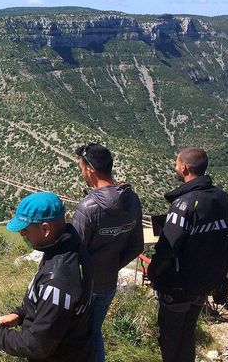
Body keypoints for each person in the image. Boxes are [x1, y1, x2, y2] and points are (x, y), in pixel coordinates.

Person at [148, 147, 228, 362]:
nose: (175, 167)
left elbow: (167, 249)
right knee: (188, 334)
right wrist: (219, 254)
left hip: (178, 285)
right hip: (206, 281)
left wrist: (154, 272)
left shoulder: (183, 205)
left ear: (184, 168)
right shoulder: (224, 198)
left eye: (176, 163)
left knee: (170, 339)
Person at [0, 192, 95, 362]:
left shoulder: (57, 280)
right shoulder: (69, 245)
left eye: (25, 230)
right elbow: (48, 306)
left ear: (46, 229)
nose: (22, 235)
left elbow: (38, 346)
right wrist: (20, 314)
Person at [72, 143, 144, 362]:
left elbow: (74, 253)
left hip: (85, 286)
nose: (82, 173)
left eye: (81, 169)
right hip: (108, 283)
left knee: (75, 336)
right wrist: (111, 265)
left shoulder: (87, 208)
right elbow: (136, 246)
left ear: (90, 170)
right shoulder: (132, 200)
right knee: (95, 333)